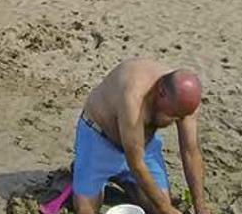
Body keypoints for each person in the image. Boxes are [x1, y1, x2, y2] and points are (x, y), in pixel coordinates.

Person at [73, 58, 211, 214]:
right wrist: (165, 209)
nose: (177, 120)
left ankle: (126, 184)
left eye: (181, 117)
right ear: (162, 93)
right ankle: (84, 174)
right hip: (99, 139)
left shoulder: (186, 103)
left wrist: (200, 207)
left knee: (159, 205)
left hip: (144, 145)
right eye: (173, 116)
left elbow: (190, 152)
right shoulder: (134, 95)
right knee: (85, 210)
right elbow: (136, 164)